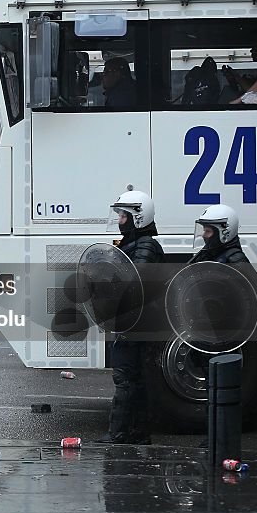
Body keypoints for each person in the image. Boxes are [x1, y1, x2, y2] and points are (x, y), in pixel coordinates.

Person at [96, 190, 164, 445]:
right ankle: (137, 432)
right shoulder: (134, 244)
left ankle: (120, 432)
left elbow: (136, 281)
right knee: (134, 378)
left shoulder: (145, 246)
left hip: (137, 321)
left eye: (124, 215)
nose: (119, 220)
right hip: (134, 320)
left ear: (138, 217)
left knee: (125, 378)